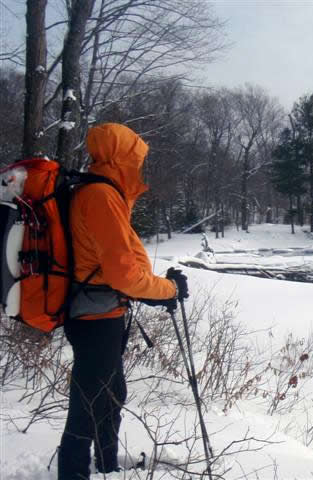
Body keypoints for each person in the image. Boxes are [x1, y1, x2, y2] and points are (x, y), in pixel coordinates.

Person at [58, 123, 189, 479]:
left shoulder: (100, 191)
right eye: (135, 158)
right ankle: (73, 473)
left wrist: (154, 290)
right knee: (87, 403)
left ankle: (107, 465)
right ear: (121, 158)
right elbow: (124, 275)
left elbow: (115, 268)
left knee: (111, 394)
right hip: (95, 317)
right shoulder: (100, 196)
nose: (139, 167)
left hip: (102, 310)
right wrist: (168, 290)